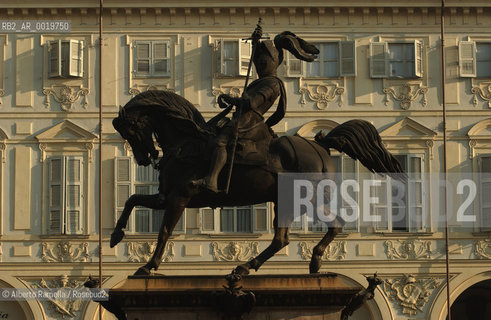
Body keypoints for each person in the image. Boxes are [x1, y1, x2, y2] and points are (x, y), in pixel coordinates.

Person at [192, 27, 319, 193]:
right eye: (258, 63)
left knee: (220, 142)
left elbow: (252, 102)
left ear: (273, 63)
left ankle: (211, 180)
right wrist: (255, 42)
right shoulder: (262, 81)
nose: (259, 65)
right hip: (243, 119)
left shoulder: (272, 83)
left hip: (250, 122)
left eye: (263, 62)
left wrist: (232, 99)